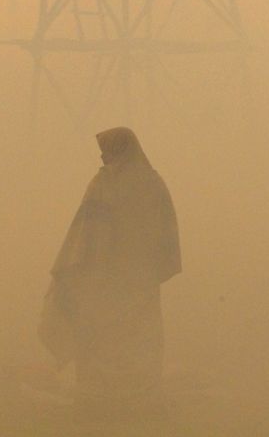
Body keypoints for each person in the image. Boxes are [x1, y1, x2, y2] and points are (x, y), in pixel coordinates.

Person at [39, 127, 181, 418]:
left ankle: (100, 398)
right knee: (137, 336)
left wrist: (77, 270)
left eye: (106, 150)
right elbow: (166, 235)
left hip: (106, 279)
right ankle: (138, 397)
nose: (102, 157)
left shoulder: (104, 184)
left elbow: (84, 233)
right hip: (138, 280)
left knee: (101, 333)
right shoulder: (153, 183)